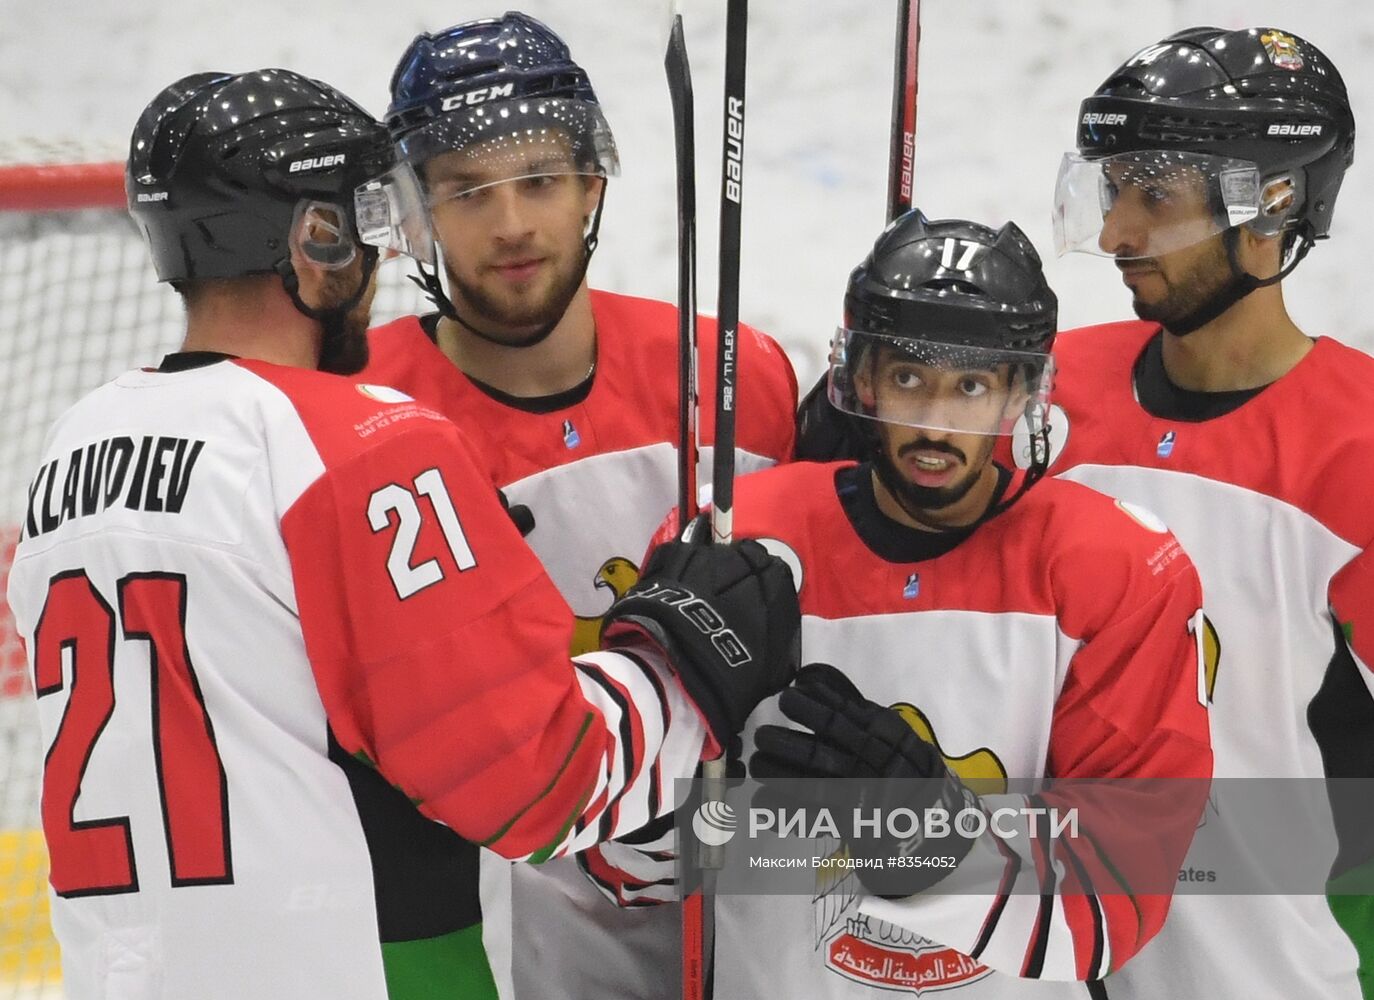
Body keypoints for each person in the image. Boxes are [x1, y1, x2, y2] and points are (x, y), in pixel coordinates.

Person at [4, 68, 801, 1000]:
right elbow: (539, 784)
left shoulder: (75, 446)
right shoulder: (360, 441)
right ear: (316, 239)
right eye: (363, 223)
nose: (378, 259)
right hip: (346, 968)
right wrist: (676, 663)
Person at [605, 210, 1213, 997]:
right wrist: (662, 814)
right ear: (859, 380)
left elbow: (1118, 899)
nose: (934, 420)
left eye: (969, 384)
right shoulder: (739, 543)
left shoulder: (1115, 568)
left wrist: (935, 849)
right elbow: (627, 875)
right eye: (908, 378)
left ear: (1021, 394)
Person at [361, 12, 799, 999]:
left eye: (539, 181)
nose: (511, 223)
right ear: (415, 215)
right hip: (503, 933)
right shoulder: (366, 419)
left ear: (593, 186)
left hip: (744, 916)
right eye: (467, 191)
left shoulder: (740, 375)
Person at [1037, 26, 1374, 1000]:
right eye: (1112, 190)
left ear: (1270, 202)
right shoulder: (1045, 393)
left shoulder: (1355, 448)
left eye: (1155, 196)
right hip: (1022, 948)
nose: (1113, 234)